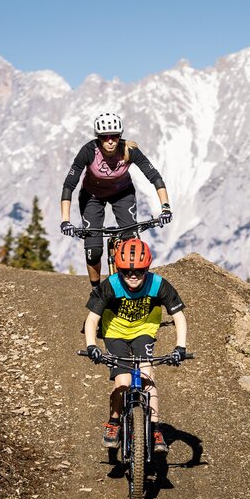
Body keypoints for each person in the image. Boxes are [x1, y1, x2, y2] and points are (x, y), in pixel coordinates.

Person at [83, 239, 187, 453]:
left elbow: (179, 316)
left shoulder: (158, 284)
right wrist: (92, 345)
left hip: (144, 331)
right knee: (123, 380)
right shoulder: (111, 285)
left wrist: (180, 347)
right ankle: (113, 423)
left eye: (139, 271)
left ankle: (155, 428)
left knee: (147, 376)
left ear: (147, 269)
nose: (133, 276)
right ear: (119, 269)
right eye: (126, 271)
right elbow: (92, 319)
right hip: (115, 333)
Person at [60, 112, 172, 288]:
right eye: (105, 137)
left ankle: (131, 286)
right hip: (92, 196)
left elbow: (154, 177)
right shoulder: (88, 151)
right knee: (93, 251)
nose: (110, 141)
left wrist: (165, 207)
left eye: (114, 136)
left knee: (131, 242)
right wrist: (65, 220)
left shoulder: (129, 150)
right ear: (98, 138)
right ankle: (96, 290)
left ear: (120, 136)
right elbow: (69, 185)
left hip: (123, 194)